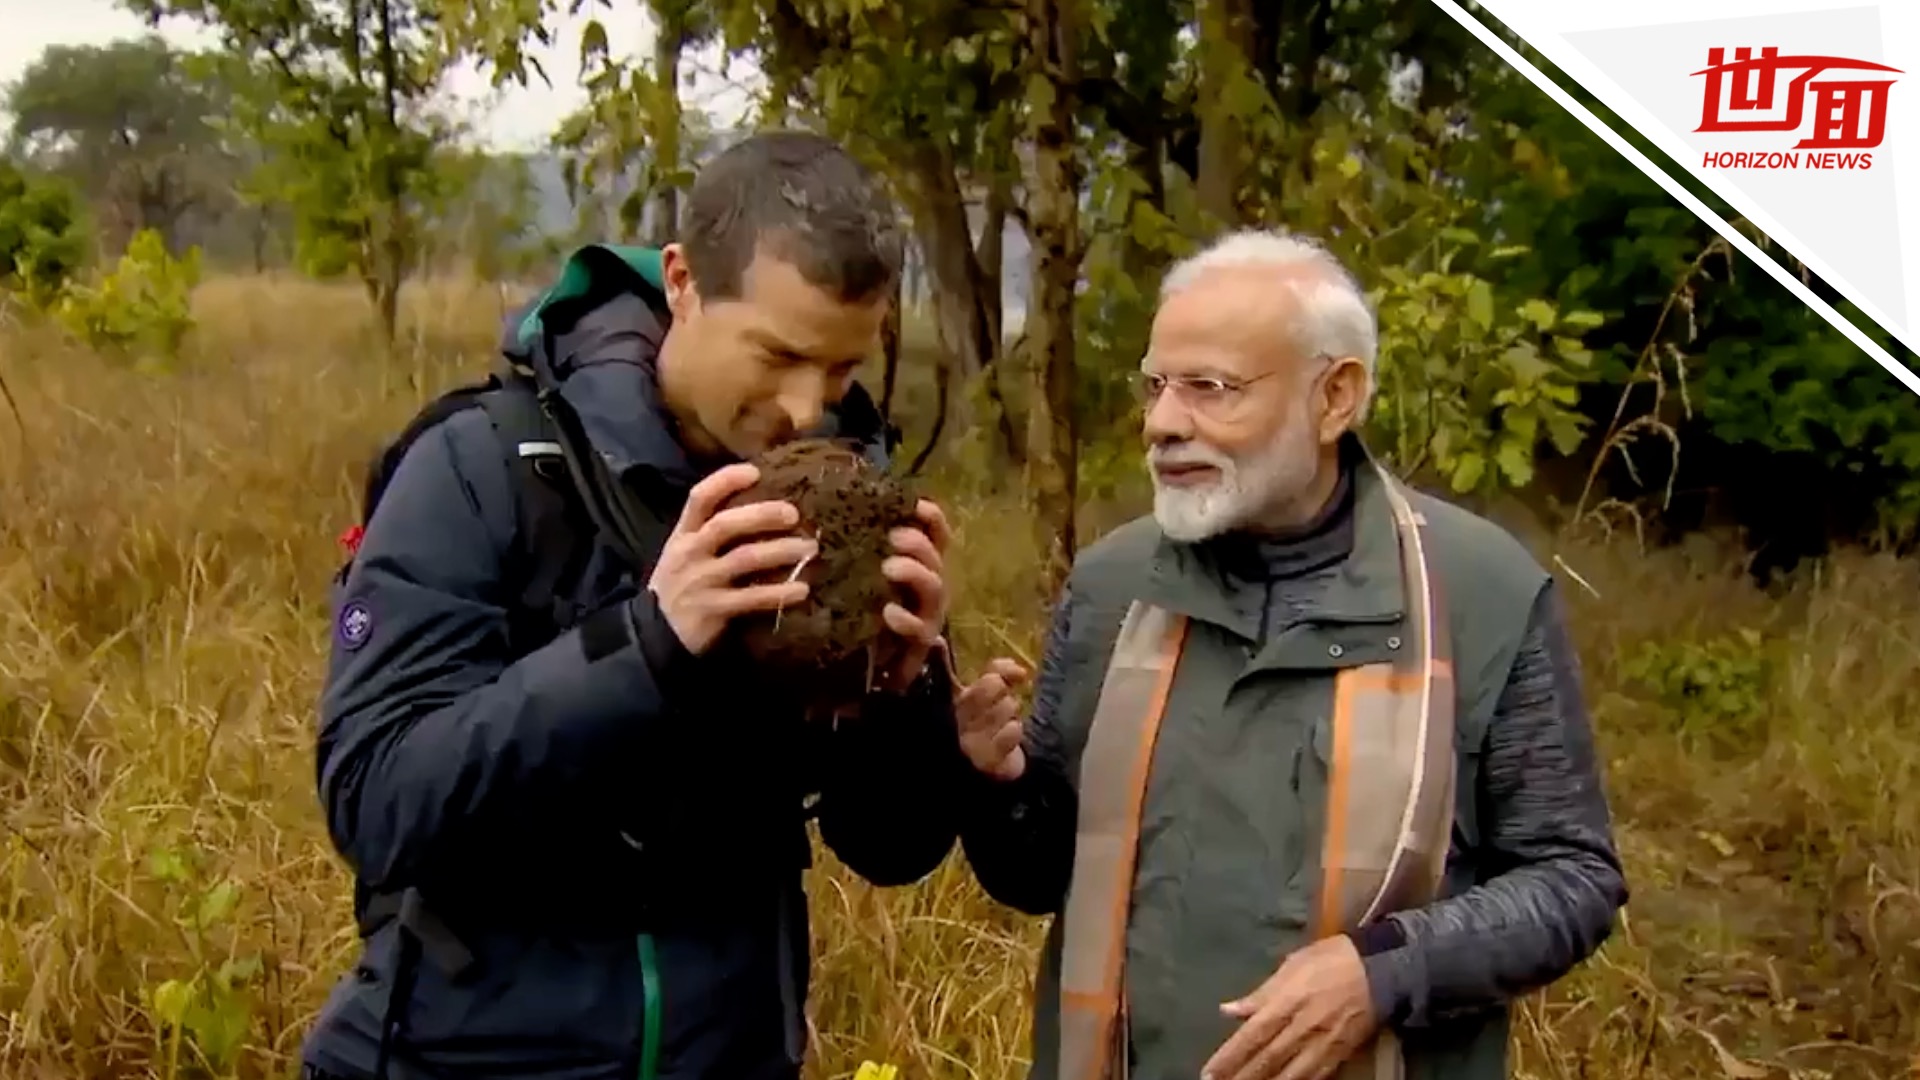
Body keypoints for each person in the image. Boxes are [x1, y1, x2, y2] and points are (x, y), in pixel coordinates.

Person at [302, 130, 977, 1080]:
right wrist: (648, 644)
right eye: (778, 354)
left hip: (729, 1051)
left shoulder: (849, 498)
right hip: (467, 1056)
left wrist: (902, 695)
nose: (805, 409)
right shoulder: (485, 467)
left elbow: (893, 847)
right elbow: (376, 799)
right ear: (684, 281)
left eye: (839, 371)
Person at [952, 229, 1631, 1080]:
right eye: (1157, 386)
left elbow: (1572, 878)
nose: (1163, 422)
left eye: (1211, 388)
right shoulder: (1114, 587)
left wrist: (1386, 970)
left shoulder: (1481, 592)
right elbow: (1036, 877)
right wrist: (996, 785)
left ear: (1335, 397)